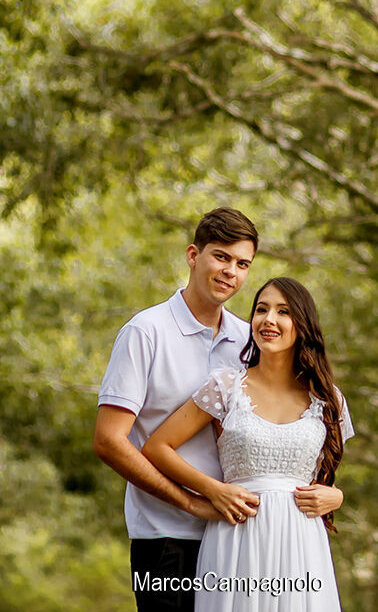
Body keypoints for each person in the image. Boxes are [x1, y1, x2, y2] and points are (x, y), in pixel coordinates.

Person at [143, 277, 353, 611]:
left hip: (301, 543)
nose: (269, 319)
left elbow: (325, 480)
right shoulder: (226, 386)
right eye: (261, 309)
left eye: (283, 312)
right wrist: (212, 491)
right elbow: (156, 447)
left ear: (303, 325)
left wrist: (336, 496)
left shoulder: (328, 399)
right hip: (236, 537)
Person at [95, 207, 261, 612]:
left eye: (242, 264)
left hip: (238, 535)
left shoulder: (251, 340)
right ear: (193, 255)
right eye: (221, 257)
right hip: (164, 538)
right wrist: (191, 502)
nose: (230, 273)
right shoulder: (145, 332)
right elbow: (109, 441)